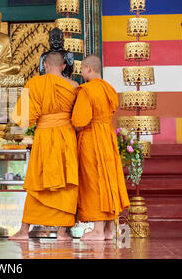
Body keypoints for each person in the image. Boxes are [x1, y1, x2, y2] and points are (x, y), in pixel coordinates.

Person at [8, 51, 79, 241]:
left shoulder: (34, 84)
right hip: (66, 136)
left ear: (45, 65)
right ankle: (63, 232)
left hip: (44, 137)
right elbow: (79, 117)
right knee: (65, 181)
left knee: (37, 181)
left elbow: (23, 120)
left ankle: (24, 230)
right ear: (64, 66)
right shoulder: (74, 86)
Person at [71, 54, 130, 241]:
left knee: (94, 181)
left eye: (82, 70)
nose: (82, 74)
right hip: (108, 137)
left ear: (88, 68)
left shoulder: (86, 90)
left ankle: (97, 230)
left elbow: (80, 121)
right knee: (109, 179)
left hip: (92, 138)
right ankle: (108, 230)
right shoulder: (109, 89)